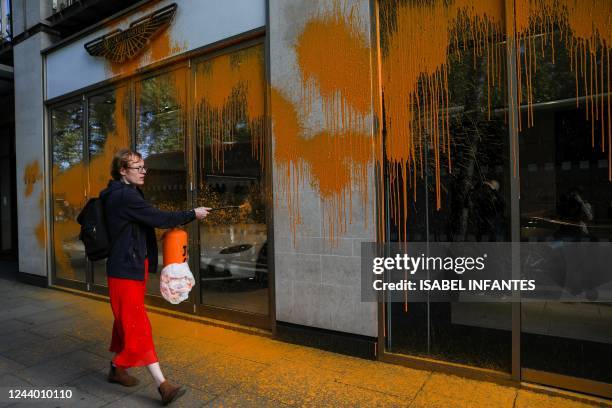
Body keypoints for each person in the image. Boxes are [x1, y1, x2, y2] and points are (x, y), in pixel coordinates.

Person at [99, 149, 210, 405]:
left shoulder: (128, 193)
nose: (144, 171)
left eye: (144, 167)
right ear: (122, 171)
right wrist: (192, 214)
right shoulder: (123, 195)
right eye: (137, 167)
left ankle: (117, 370)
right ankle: (163, 385)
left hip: (131, 267)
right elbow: (158, 217)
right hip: (124, 271)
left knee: (124, 321)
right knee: (137, 324)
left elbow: (141, 224)